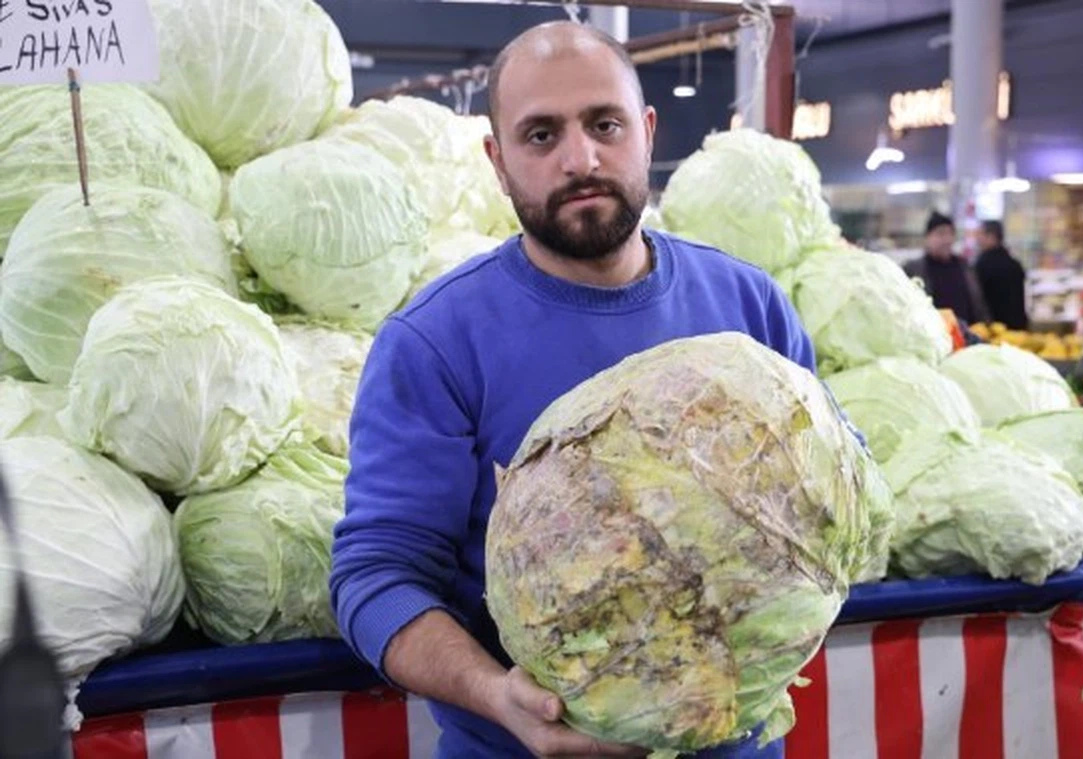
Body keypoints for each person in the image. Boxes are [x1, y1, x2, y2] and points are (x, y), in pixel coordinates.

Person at [329, 20, 817, 759]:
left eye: (605, 124)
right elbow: (375, 577)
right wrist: (499, 696)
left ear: (646, 131)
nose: (580, 158)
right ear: (497, 160)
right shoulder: (433, 341)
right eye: (540, 135)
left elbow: (829, 506)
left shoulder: (752, 309)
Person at [903, 211, 989, 324]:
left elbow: (979, 304)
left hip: (968, 335)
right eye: (941, 234)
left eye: (950, 234)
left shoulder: (965, 267)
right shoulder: (913, 270)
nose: (947, 240)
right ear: (927, 237)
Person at [973, 219, 1029, 330]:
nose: (977, 239)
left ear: (992, 236)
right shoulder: (1015, 264)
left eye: (980, 234)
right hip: (1017, 329)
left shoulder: (982, 265)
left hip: (994, 330)